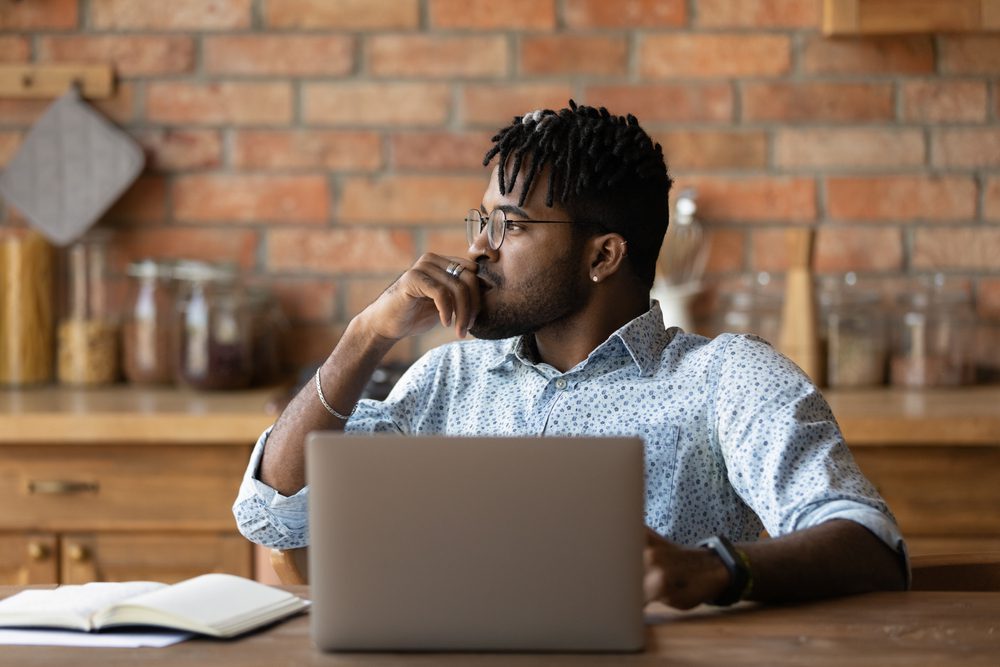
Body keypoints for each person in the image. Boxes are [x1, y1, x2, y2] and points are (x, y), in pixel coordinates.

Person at [234, 101, 907, 609]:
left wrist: (714, 567)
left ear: (602, 255)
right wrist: (365, 336)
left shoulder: (725, 379)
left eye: (513, 226)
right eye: (483, 221)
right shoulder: (447, 377)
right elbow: (273, 512)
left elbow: (870, 542)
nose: (478, 249)